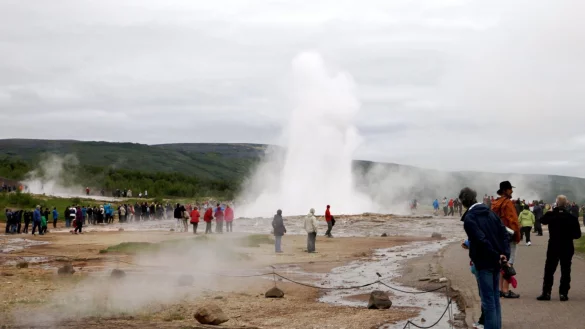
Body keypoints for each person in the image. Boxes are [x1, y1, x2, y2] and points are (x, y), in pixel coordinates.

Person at [460, 187, 510, 329]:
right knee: (494, 299)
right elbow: (504, 234)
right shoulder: (490, 213)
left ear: (463, 202)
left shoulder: (470, 218)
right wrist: (504, 255)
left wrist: (497, 255)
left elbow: (481, 240)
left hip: (484, 262)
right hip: (497, 261)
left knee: (488, 301)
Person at [537, 195, 582, 301]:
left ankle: (546, 292)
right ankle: (563, 293)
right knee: (566, 270)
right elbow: (577, 235)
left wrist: (551, 210)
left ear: (556, 204)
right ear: (566, 204)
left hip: (554, 245)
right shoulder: (572, 218)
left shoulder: (551, 215)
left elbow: (541, 220)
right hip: (567, 246)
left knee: (549, 269)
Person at [491, 181, 520, 299]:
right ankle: (506, 290)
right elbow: (513, 220)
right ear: (505, 190)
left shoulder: (495, 203)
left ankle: (501, 290)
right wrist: (517, 234)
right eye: (509, 189)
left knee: (502, 262)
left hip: (499, 236)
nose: (511, 191)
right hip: (509, 236)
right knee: (509, 262)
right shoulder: (507, 203)